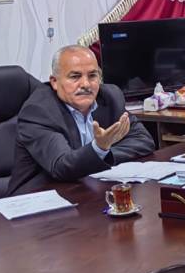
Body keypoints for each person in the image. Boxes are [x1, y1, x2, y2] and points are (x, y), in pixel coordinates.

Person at [8, 45, 155, 194]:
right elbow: (62, 166)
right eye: (75, 77)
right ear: (54, 82)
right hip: (38, 198)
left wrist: (105, 154)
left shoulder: (110, 97)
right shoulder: (39, 111)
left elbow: (143, 140)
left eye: (92, 76)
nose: (85, 84)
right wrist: (99, 149)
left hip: (87, 189)